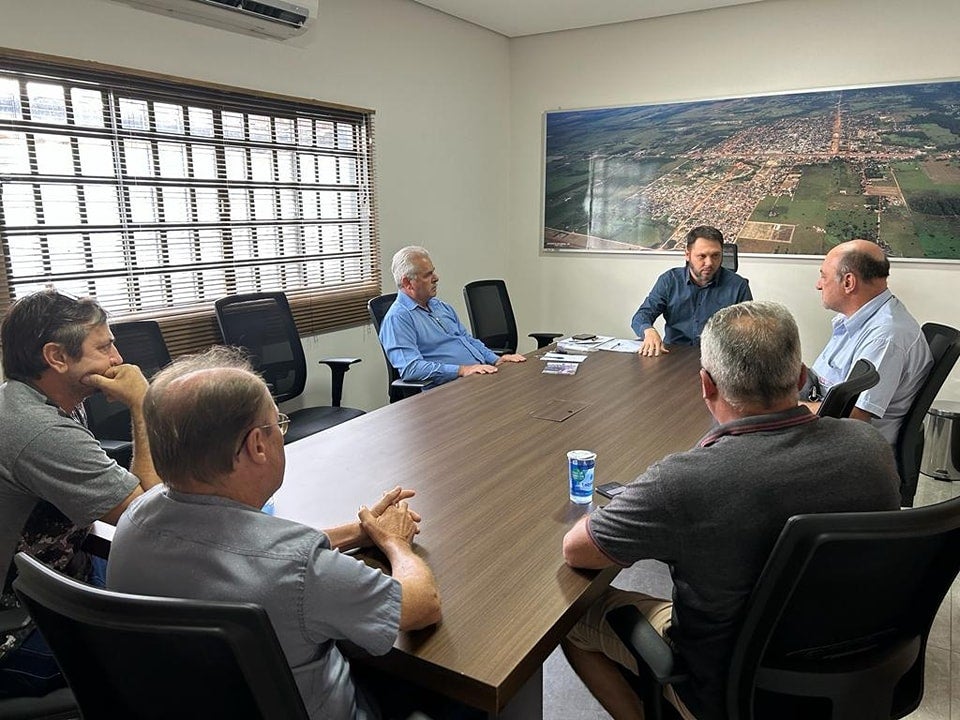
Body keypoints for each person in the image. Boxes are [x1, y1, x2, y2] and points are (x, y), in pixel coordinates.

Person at [562, 301, 900, 720]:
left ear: (706, 385)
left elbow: (578, 551)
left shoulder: (684, 480)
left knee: (575, 621)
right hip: (854, 667)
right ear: (799, 377)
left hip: (726, 689)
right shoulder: (871, 449)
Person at [106, 347, 442, 719]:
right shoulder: (301, 571)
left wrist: (360, 531)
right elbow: (422, 605)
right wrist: (396, 544)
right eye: (278, 423)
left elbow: (255, 551)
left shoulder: (134, 519)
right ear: (258, 445)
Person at [0, 290, 161, 698]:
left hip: (65, 573)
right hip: (19, 625)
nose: (118, 360)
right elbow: (148, 516)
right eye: (104, 346)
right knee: (178, 646)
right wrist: (142, 405)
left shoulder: (47, 399)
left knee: (172, 585)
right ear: (57, 357)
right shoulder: (39, 430)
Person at [804, 239, 932, 445]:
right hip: (827, 422)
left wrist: (787, 409)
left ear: (848, 282)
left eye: (823, 276)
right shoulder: (852, 320)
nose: (818, 285)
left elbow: (853, 418)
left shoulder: (885, 337)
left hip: (852, 449)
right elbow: (823, 379)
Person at [379, 246, 526, 388]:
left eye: (433, 272)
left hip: (476, 379)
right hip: (447, 391)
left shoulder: (440, 307)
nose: (436, 278)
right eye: (427, 275)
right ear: (407, 283)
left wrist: (496, 360)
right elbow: (411, 369)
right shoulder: (398, 318)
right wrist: (462, 370)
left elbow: (467, 340)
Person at [630, 226, 752, 357]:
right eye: (702, 256)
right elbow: (641, 316)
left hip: (718, 358)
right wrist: (648, 331)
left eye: (716, 255)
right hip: (674, 355)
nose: (709, 263)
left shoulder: (738, 285)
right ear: (688, 255)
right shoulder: (670, 281)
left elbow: (749, 330)